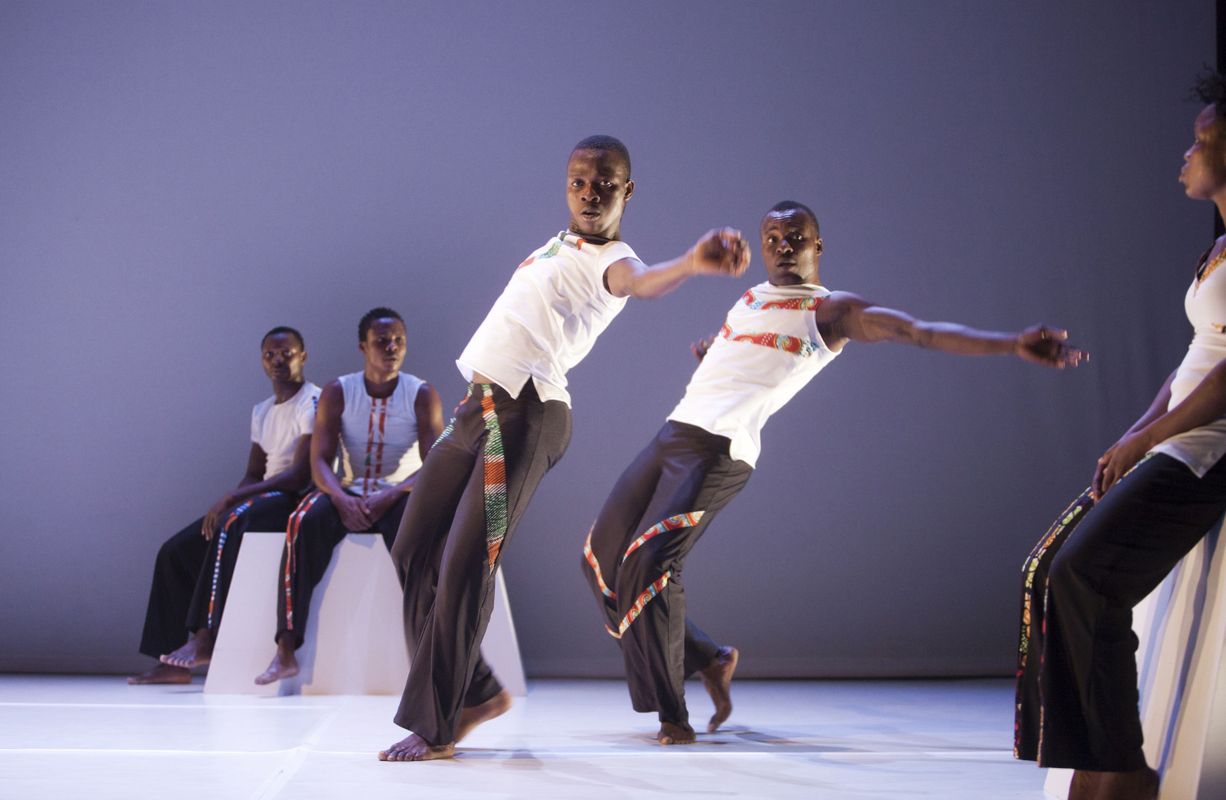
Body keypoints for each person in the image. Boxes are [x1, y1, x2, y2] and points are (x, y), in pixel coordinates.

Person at [582, 200, 1086, 745]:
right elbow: (742, 359)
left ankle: (673, 718)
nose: (783, 246)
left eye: (795, 237)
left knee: (650, 564)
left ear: (817, 246)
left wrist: (1011, 344)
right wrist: (715, 354)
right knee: (600, 562)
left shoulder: (831, 311)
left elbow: (918, 331)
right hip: (674, 433)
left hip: (719, 450)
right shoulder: (750, 299)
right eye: (772, 238)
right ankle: (709, 657)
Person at [378, 135, 751, 762]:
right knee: (412, 549)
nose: (589, 195)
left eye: (604, 184)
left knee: (466, 562)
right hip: (476, 409)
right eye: (579, 182)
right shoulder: (558, 245)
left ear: (627, 191)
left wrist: (690, 262)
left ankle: (439, 723)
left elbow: (641, 282)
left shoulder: (614, 258)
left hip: (525, 414)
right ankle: (475, 693)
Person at [1015, 73, 1226, 800]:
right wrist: (1135, 434)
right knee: (1052, 572)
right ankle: (1098, 761)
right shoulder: (1217, 251)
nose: (1186, 155)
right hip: (1175, 442)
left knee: (1085, 577)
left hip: (1208, 452)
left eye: (1202, 141)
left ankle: (1121, 768)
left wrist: (1151, 440)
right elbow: (1194, 359)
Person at [254, 307, 443, 685]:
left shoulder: (421, 394)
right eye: (382, 341)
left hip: (399, 492)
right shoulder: (339, 390)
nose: (392, 348)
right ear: (363, 347)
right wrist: (341, 499)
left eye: (399, 341)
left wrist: (392, 494)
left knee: (421, 536)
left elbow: (435, 464)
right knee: (300, 521)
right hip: (349, 490)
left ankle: (428, 654)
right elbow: (319, 461)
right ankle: (285, 650)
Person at [129, 327, 319, 683]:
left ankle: (205, 637)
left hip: (294, 498)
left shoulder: (313, 402)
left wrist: (234, 500)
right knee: (175, 551)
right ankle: (170, 664)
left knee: (231, 522)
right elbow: (254, 473)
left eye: (287, 353)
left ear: (303, 357)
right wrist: (228, 500)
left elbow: (299, 476)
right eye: (270, 355)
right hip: (264, 496)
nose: (278, 361)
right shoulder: (262, 411)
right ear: (262, 361)